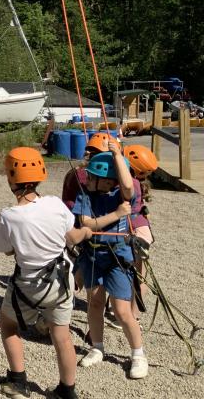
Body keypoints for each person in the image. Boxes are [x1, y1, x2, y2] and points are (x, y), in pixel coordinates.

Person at [0, 147, 92, 399]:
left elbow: (6, 250)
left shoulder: (8, 216)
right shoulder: (55, 204)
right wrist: (85, 232)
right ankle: (67, 391)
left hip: (29, 283)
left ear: (11, 178)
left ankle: (18, 381)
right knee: (62, 335)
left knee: (8, 324)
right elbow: (72, 237)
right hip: (60, 280)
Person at [72, 143, 149, 380]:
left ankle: (138, 355)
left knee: (122, 310)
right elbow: (87, 224)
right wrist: (117, 214)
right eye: (89, 176)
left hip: (118, 258)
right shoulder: (85, 195)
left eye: (92, 177)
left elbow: (127, 185)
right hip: (93, 256)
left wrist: (117, 154)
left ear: (108, 181)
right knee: (95, 303)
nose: (87, 180)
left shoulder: (121, 195)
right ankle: (97, 347)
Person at [122, 144, 159, 320]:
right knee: (138, 274)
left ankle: (132, 315)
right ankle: (131, 314)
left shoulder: (130, 183)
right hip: (142, 229)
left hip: (136, 230)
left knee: (137, 275)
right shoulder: (138, 182)